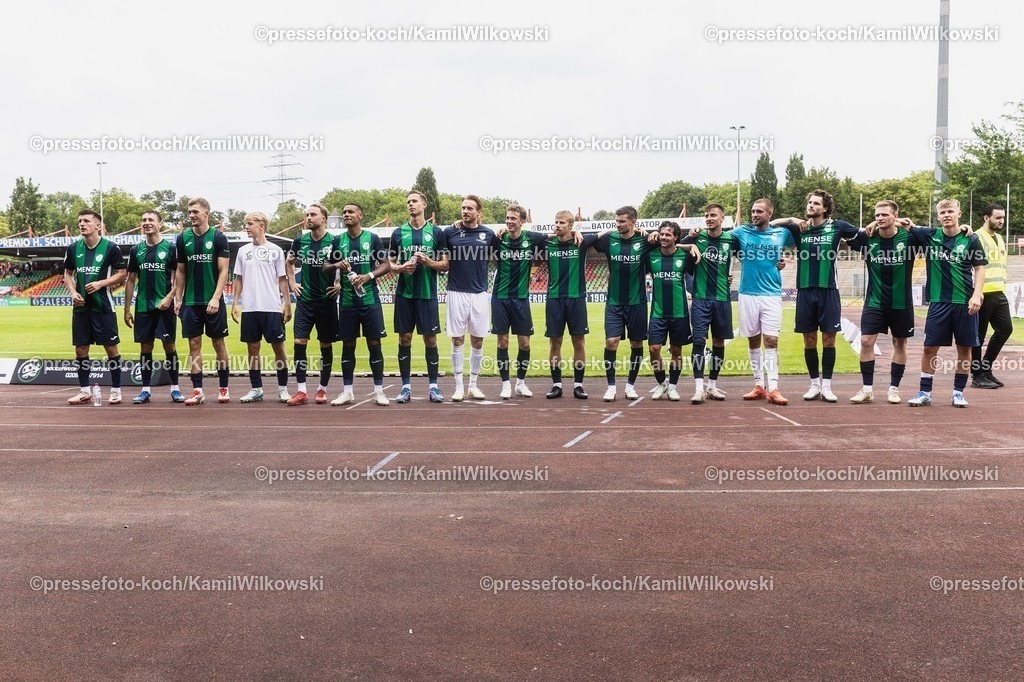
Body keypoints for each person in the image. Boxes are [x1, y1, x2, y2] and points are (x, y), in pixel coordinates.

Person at [772, 189, 860, 402]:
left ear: (825, 208)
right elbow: (772, 223)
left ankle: (827, 386)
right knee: (809, 340)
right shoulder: (797, 228)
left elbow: (864, 232)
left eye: (816, 204)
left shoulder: (837, 226)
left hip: (829, 290)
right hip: (804, 290)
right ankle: (813, 385)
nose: (811, 206)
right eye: (810, 203)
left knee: (829, 339)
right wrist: (792, 218)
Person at [846, 201, 931, 404]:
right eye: (877, 215)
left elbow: (932, 234)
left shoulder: (909, 238)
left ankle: (894, 389)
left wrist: (908, 224)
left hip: (901, 302)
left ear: (895, 216)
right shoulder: (868, 238)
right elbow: (844, 233)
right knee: (866, 341)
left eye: (884, 214)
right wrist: (867, 226)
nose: (879, 218)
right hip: (874, 301)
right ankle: (867, 389)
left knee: (899, 343)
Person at [908, 198, 986, 407]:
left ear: (959, 214)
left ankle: (958, 393)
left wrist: (977, 293)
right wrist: (873, 224)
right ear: (938, 216)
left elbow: (979, 267)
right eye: (942, 212)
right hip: (938, 303)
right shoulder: (930, 235)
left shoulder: (971, 239)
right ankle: (925, 392)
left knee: (964, 349)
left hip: (964, 302)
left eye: (950, 211)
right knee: (929, 348)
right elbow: (900, 223)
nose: (946, 215)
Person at [729, 199, 796, 405]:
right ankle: (759, 385)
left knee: (772, 340)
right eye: (753, 211)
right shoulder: (741, 232)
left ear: (770, 213)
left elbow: (801, 239)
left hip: (772, 294)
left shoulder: (782, 233)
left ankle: (774, 388)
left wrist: (791, 219)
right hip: (747, 293)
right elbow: (717, 240)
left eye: (759, 211)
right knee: (752, 339)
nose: (754, 214)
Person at [324, 203, 391, 406]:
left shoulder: (372, 239)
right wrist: (337, 264)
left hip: (370, 300)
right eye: (344, 212)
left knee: (374, 343)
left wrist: (368, 276)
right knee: (348, 345)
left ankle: (379, 391)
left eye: (350, 212)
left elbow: (386, 265)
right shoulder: (338, 240)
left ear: (360, 215)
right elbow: (325, 267)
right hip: (347, 302)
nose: (346, 215)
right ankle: (347, 391)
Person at [389, 190, 449, 404]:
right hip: (404, 295)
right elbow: (390, 264)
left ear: (424, 204)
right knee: (404, 338)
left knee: (430, 339)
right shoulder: (398, 233)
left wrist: (429, 263)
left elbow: (445, 265)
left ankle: (434, 386)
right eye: (408, 202)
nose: (411, 205)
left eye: (414, 201)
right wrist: (400, 268)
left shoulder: (436, 232)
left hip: (427, 294)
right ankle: (405, 387)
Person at [593, 206, 658, 402]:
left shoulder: (645, 241)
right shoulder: (608, 239)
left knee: (636, 343)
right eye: (617, 221)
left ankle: (630, 385)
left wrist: (653, 232)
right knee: (611, 341)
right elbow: (589, 239)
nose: (618, 224)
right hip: (613, 301)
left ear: (633, 222)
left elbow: (669, 238)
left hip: (637, 302)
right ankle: (611, 386)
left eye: (622, 221)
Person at [64, 209, 127, 405]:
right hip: (81, 308)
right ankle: (85, 391)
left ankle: (116, 390)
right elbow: (67, 274)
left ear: (98, 226)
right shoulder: (73, 248)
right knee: (81, 349)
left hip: (104, 307)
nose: (82, 224)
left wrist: (101, 283)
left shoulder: (111, 248)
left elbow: (122, 273)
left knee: (110, 348)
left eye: (86, 221)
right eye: (80, 221)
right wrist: (73, 293)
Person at [173, 197, 231, 405]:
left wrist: (216, 297)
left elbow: (224, 270)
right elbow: (180, 270)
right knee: (193, 344)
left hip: (212, 300)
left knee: (218, 343)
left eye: (195, 211)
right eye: (189, 212)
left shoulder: (218, 237)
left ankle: (223, 388)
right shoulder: (183, 238)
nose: (191, 215)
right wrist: (178, 298)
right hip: (190, 302)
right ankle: (197, 390)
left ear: (207, 213)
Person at [231, 212, 292, 403]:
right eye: (245, 224)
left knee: (279, 348)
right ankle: (256, 388)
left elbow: (282, 279)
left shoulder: (275, 250)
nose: (246, 227)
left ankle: (283, 388)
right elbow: (238, 278)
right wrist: (235, 302)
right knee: (253, 349)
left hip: (272, 307)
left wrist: (287, 304)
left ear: (261, 226)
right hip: (250, 308)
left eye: (249, 224)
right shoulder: (242, 251)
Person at [490, 204, 550, 399]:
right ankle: (505, 384)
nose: (509, 221)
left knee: (524, 344)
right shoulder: (498, 238)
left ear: (522, 222)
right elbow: (478, 239)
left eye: (513, 218)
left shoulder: (532, 238)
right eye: (507, 218)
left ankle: (521, 383)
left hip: (521, 298)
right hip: (500, 297)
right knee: (503, 342)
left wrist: (575, 230)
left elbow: (555, 235)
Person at [123, 210, 183, 403]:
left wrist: (170, 297)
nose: (147, 223)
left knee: (169, 345)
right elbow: (130, 280)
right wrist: (126, 309)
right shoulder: (136, 250)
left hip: (164, 306)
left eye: (151, 220)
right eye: (144, 220)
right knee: (145, 346)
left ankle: (175, 388)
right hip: (143, 306)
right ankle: (145, 389)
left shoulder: (171, 248)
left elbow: (181, 276)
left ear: (160, 223)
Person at [682, 204, 738, 403]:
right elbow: (673, 248)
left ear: (722, 218)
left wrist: (778, 262)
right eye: (706, 215)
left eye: (713, 215)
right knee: (699, 341)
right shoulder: (697, 238)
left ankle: (712, 386)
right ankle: (698, 388)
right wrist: (690, 243)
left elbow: (751, 256)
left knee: (718, 342)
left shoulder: (731, 239)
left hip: (722, 299)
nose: (709, 218)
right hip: (700, 299)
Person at [285, 203, 339, 405]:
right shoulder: (300, 241)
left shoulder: (334, 241)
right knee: (299, 342)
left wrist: (339, 284)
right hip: (305, 302)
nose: (308, 218)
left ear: (323, 219)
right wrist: (292, 282)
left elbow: (344, 265)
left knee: (325, 344)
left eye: (313, 215)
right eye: (307, 215)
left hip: (326, 302)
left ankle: (322, 389)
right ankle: (301, 391)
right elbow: (289, 262)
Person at [443, 195, 495, 401]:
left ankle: (473, 385)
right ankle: (458, 386)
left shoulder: (489, 234)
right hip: (456, 291)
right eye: (463, 208)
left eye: (470, 208)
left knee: (478, 340)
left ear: (478, 213)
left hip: (480, 293)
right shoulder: (450, 232)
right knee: (457, 338)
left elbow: (504, 247)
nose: (465, 211)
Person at [544, 211, 599, 399]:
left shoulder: (581, 242)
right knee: (555, 342)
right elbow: (522, 234)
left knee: (578, 342)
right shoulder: (547, 242)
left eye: (561, 223)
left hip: (576, 298)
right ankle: (556, 385)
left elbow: (607, 234)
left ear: (570, 226)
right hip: (554, 299)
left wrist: (639, 229)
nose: (557, 225)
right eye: (555, 222)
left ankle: (578, 385)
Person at [647, 221, 698, 402]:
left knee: (676, 350)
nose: (664, 237)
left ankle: (673, 387)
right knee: (654, 349)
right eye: (662, 234)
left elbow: (699, 269)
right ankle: (662, 384)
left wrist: (691, 244)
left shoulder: (685, 257)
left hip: (679, 313)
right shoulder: (650, 255)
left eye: (668, 235)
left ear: (676, 237)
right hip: (657, 313)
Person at [971, 203, 1012, 389]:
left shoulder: (1000, 238)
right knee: (977, 336)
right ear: (986, 217)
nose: (1001, 221)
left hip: (999, 292)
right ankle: (977, 375)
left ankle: (985, 368)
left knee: (1005, 329)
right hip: (982, 294)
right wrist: (975, 293)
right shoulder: (975, 236)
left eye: (1003, 218)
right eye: (997, 218)